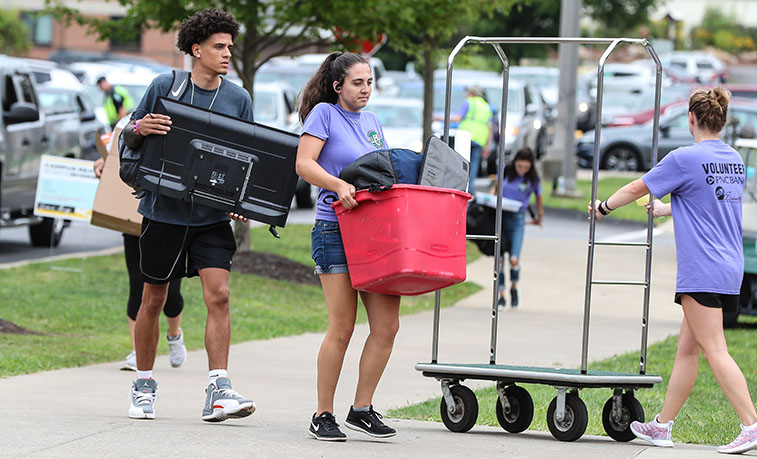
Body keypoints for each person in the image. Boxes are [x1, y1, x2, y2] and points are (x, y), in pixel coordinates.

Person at [590, 87, 756, 454]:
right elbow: (708, 205)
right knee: (688, 350)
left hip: (702, 268)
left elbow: (637, 186)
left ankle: (752, 425)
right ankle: (663, 426)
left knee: (715, 350)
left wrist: (603, 207)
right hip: (729, 266)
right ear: (722, 120)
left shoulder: (684, 158)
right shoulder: (732, 160)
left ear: (691, 119)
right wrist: (667, 210)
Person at [125, 7, 255, 422]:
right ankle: (143, 386)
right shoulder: (166, 85)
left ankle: (219, 388)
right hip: (163, 212)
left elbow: (249, 156)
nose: (226, 54)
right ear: (196, 49)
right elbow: (128, 129)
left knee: (219, 294)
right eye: (218, 47)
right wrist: (140, 127)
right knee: (154, 298)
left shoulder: (238, 98)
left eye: (230, 47)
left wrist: (241, 200)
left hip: (211, 217)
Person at [296, 51, 400, 441]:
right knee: (342, 326)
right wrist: (338, 184)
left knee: (387, 326)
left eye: (369, 82)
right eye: (358, 83)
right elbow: (304, 164)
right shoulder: (324, 114)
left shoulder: (372, 122)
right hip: (334, 230)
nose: (365, 90)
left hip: (374, 233)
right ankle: (323, 414)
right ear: (338, 86)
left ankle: (361, 409)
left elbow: (381, 170)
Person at [92, 156, 187, 372]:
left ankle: (174, 335)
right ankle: (137, 352)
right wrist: (100, 164)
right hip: (134, 216)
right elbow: (114, 152)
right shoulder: (129, 125)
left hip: (172, 216)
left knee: (170, 292)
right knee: (137, 284)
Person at [492, 147, 543, 310]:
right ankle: (501, 296)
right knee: (499, 260)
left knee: (514, 259)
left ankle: (514, 286)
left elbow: (539, 198)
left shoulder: (533, 179)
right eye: (520, 166)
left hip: (517, 220)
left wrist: (539, 216)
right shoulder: (506, 172)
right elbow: (495, 189)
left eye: (526, 167)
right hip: (501, 217)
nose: (522, 170)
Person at [450, 85, 492, 192]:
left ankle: (459, 189)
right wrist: (488, 145)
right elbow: (489, 127)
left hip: (466, 137)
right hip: (479, 139)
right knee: (473, 166)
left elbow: (458, 118)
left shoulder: (469, 102)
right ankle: (470, 190)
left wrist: (439, 118)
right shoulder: (486, 106)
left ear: (471, 93)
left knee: (460, 164)